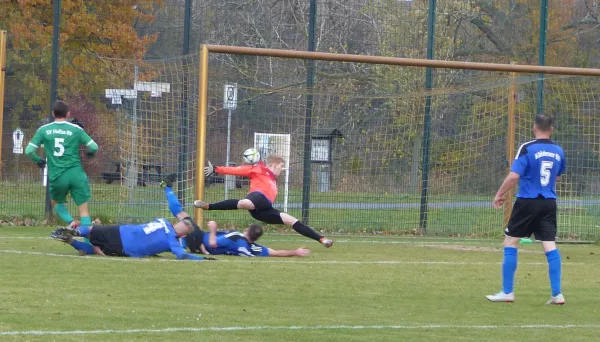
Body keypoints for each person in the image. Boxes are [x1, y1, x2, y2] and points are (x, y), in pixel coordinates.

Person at [486, 114, 566, 305]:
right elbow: (557, 176)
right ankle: (557, 294)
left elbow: (514, 176)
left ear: (534, 128)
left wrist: (500, 193)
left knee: (511, 241)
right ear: (552, 129)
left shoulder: (527, 148)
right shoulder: (559, 150)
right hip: (549, 202)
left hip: (528, 201)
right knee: (549, 245)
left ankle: (507, 292)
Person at [50, 174, 214, 261]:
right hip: (124, 244)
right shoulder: (172, 238)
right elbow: (180, 253)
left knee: (94, 236)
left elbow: (178, 251)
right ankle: (72, 238)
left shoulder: (164, 225)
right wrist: (202, 258)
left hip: (123, 234)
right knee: (96, 246)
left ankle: (74, 235)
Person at [195, 153, 334, 248]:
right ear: (274, 165)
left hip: (264, 209)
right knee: (245, 203)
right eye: (281, 166)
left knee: (292, 220)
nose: (281, 169)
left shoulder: (272, 179)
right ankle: (208, 206)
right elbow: (239, 170)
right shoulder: (260, 170)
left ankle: (322, 240)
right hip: (257, 197)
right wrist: (217, 169)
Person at [26, 100, 98, 229]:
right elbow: (94, 146)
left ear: (53, 113)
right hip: (76, 174)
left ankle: (71, 222)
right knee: (84, 210)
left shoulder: (44, 130)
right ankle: (88, 243)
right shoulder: (76, 129)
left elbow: (29, 151)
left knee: (55, 202)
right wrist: (90, 153)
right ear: (68, 114)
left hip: (57, 175)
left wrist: (39, 161)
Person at [185, 220, 311, 257]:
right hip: (203, 244)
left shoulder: (236, 237)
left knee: (185, 220)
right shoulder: (253, 248)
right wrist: (295, 252)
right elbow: (275, 252)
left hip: (202, 241)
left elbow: (212, 243)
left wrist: (213, 229)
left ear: (247, 230)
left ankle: (168, 189)